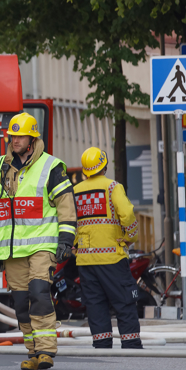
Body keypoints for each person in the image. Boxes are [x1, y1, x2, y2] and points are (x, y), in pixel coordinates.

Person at [0, 113, 77, 370]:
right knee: (21, 304)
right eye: (12, 136)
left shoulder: (51, 166)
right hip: (11, 249)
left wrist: (66, 238)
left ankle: (47, 350)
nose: (15, 140)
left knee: (39, 294)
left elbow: (66, 205)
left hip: (41, 246)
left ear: (32, 138)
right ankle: (33, 351)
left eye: (20, 136)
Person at [72, 147, 142, 349]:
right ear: (104, 166)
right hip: (112, 258)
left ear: (85, 169)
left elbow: (70, 221)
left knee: (95, 304)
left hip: (85, 261)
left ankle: (101, 343)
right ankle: (131, 344)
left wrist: (75, 245)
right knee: (124, 301)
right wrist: (130, 237)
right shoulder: (112, 187)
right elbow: (127, 215)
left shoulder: (75, 191)